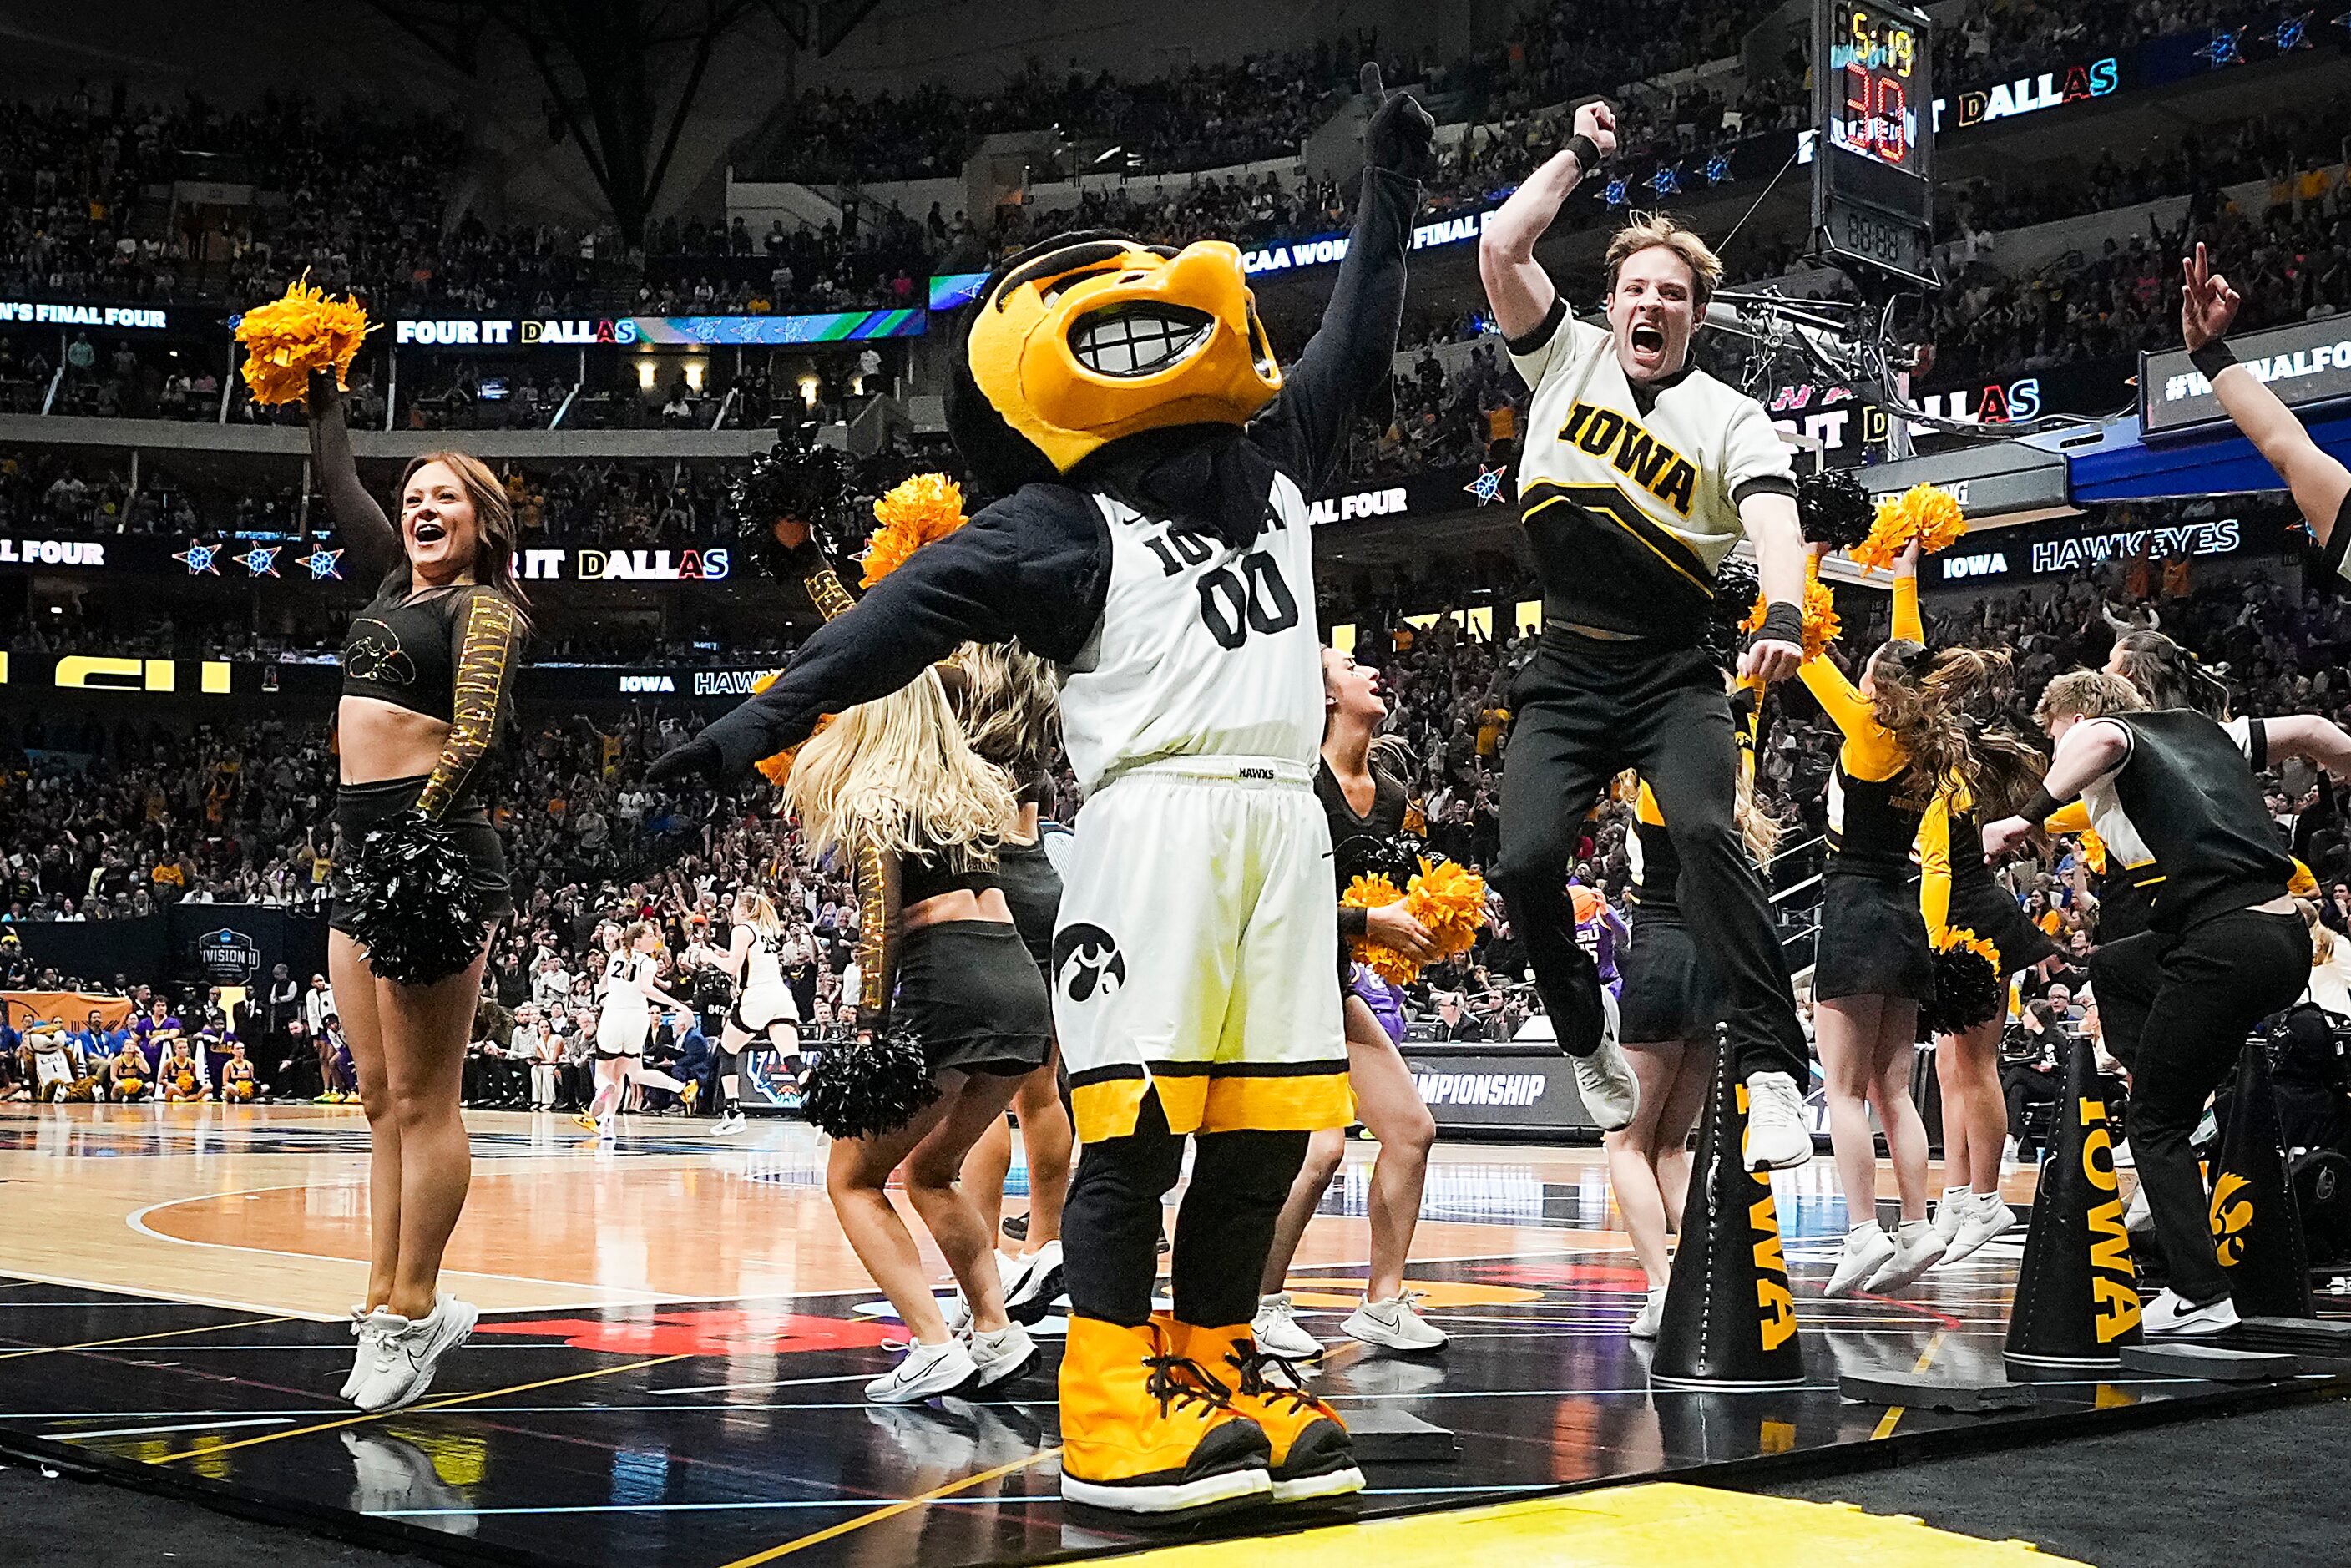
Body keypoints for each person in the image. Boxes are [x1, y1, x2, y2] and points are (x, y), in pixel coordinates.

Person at [650, 74, 1437, 1514]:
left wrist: (1387, 186)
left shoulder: (1276, 465)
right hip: (1151, 830)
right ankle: (1107, 1392)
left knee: (1267, 1129)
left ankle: (1215, 1355)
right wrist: (745, 724)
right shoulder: (1060, 520)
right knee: (1131, 1127)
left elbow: (1358, 334)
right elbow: (895, 615)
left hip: (1280, 826)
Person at [1475, 102, 1814, 1164]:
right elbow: (1498, 244)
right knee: (1524, 861)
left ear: (1696, 314)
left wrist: (1787, 612)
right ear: (1611, 302)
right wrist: (1579, 155)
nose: (1650, 303)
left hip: (1672, 672)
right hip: (1566, 667)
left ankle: (1771, 1066)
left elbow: (1772, 518)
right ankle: (1582, 1037)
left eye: (1671, 291)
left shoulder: (1729, 416)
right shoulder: (1561, 358)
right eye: (1634, 288)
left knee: (1710, 837)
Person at [1984, 670, 2351, 1334]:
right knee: (2118, 968)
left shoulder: (2103, 735)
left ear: (2076, 714)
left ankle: (2199, 1293)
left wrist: (2021, 814)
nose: (2054, 748)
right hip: (2277, 939)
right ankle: (2180, 1083)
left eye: (2053, 733)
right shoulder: (2208, 736)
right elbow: (2312, 730)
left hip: (2224, 941)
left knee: (2153, 1124)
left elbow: (2097, 741)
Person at [309, 364, 528, 1413]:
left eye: (444, 497)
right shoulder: (397, 591)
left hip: (434, 852)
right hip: (365, 857)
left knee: (427, 1099)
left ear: (483, 521)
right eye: (412, 501)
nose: (420, 510)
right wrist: (321, 392)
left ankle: (412, 1306)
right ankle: (384, 1300)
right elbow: (341, 486)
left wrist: (416, 836)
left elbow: (479, 733)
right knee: (377, 1099)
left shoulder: (484, 609)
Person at [780, 669, 1054, 1402]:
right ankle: (995, 1331)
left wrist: (870, 1026)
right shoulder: (974, 795)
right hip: (1021, 985)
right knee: (932, 1169)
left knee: (851, 1176)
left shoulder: (878, 796)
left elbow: (879, 924)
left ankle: (932, 1344)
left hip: (948, 981)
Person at [1797, 544, 2007, 1296]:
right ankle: (1915, 1225)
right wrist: (1905, 573)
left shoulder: (1865, 726)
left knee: (1845, 1090)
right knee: (1895, 1089)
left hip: (1855, 906)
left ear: (1876, 683)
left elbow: (1806, 640)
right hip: (1905, 911)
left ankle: (1861, 1232)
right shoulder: (1929, 737)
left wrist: (1806, 565)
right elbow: (1909, 653)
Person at [1253, 649, 1446, 1361]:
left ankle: (1383, 1302)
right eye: (1350, 664)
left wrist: (1424, 923)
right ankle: (1258, 1304)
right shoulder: (1292, 780)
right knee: (1321, 1148)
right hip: (1272, 984)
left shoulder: (1390, 795)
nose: (1371, 670)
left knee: (1411, 1130)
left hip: (1330, 983)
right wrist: (1370, 924)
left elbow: (1370, 898)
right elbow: (1270, 901)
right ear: (1325, 696)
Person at [1898, 544, 2049, 1268]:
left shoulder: (1947, 762)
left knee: (1976, 1065)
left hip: (1972, 918)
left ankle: (1986, 1199)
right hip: (1948, 920)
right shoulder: (1932, 762)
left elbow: (1914, 666)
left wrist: (1904, 578)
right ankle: (1959, 1195)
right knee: (1955, 1068)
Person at [944, 641, 1076, 1327]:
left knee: (980, 1092)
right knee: (1042, 1089)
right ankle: (1048, 1248)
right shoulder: (1039, 697)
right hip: (1041, 879)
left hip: (989, 878)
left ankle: (989, 1260)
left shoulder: (958, 698)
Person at [578, 921, 691, 1134]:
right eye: (650, 936)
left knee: (604, 1074)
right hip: (637, 1019)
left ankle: (603, 1097)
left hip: (614, 1015)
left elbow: (615, 985)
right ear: (637, 940)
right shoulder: (647, 962)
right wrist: (676, 1003)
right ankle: (608, 1124)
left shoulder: (615, 957)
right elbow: (646, 988)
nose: (655, 940)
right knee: (625, 1074)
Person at [711, 889, 801, 1136]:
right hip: (781, 997)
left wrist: (709, 956)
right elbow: (750, 961)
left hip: (757, 997)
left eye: (733, 908)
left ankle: (733, 1112)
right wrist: (725, 954)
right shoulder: (766, 930)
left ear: (742, 909)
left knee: (727, 1050)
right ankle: (824, 1111)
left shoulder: (741, 929)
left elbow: (732, 968)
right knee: (793, 1060)